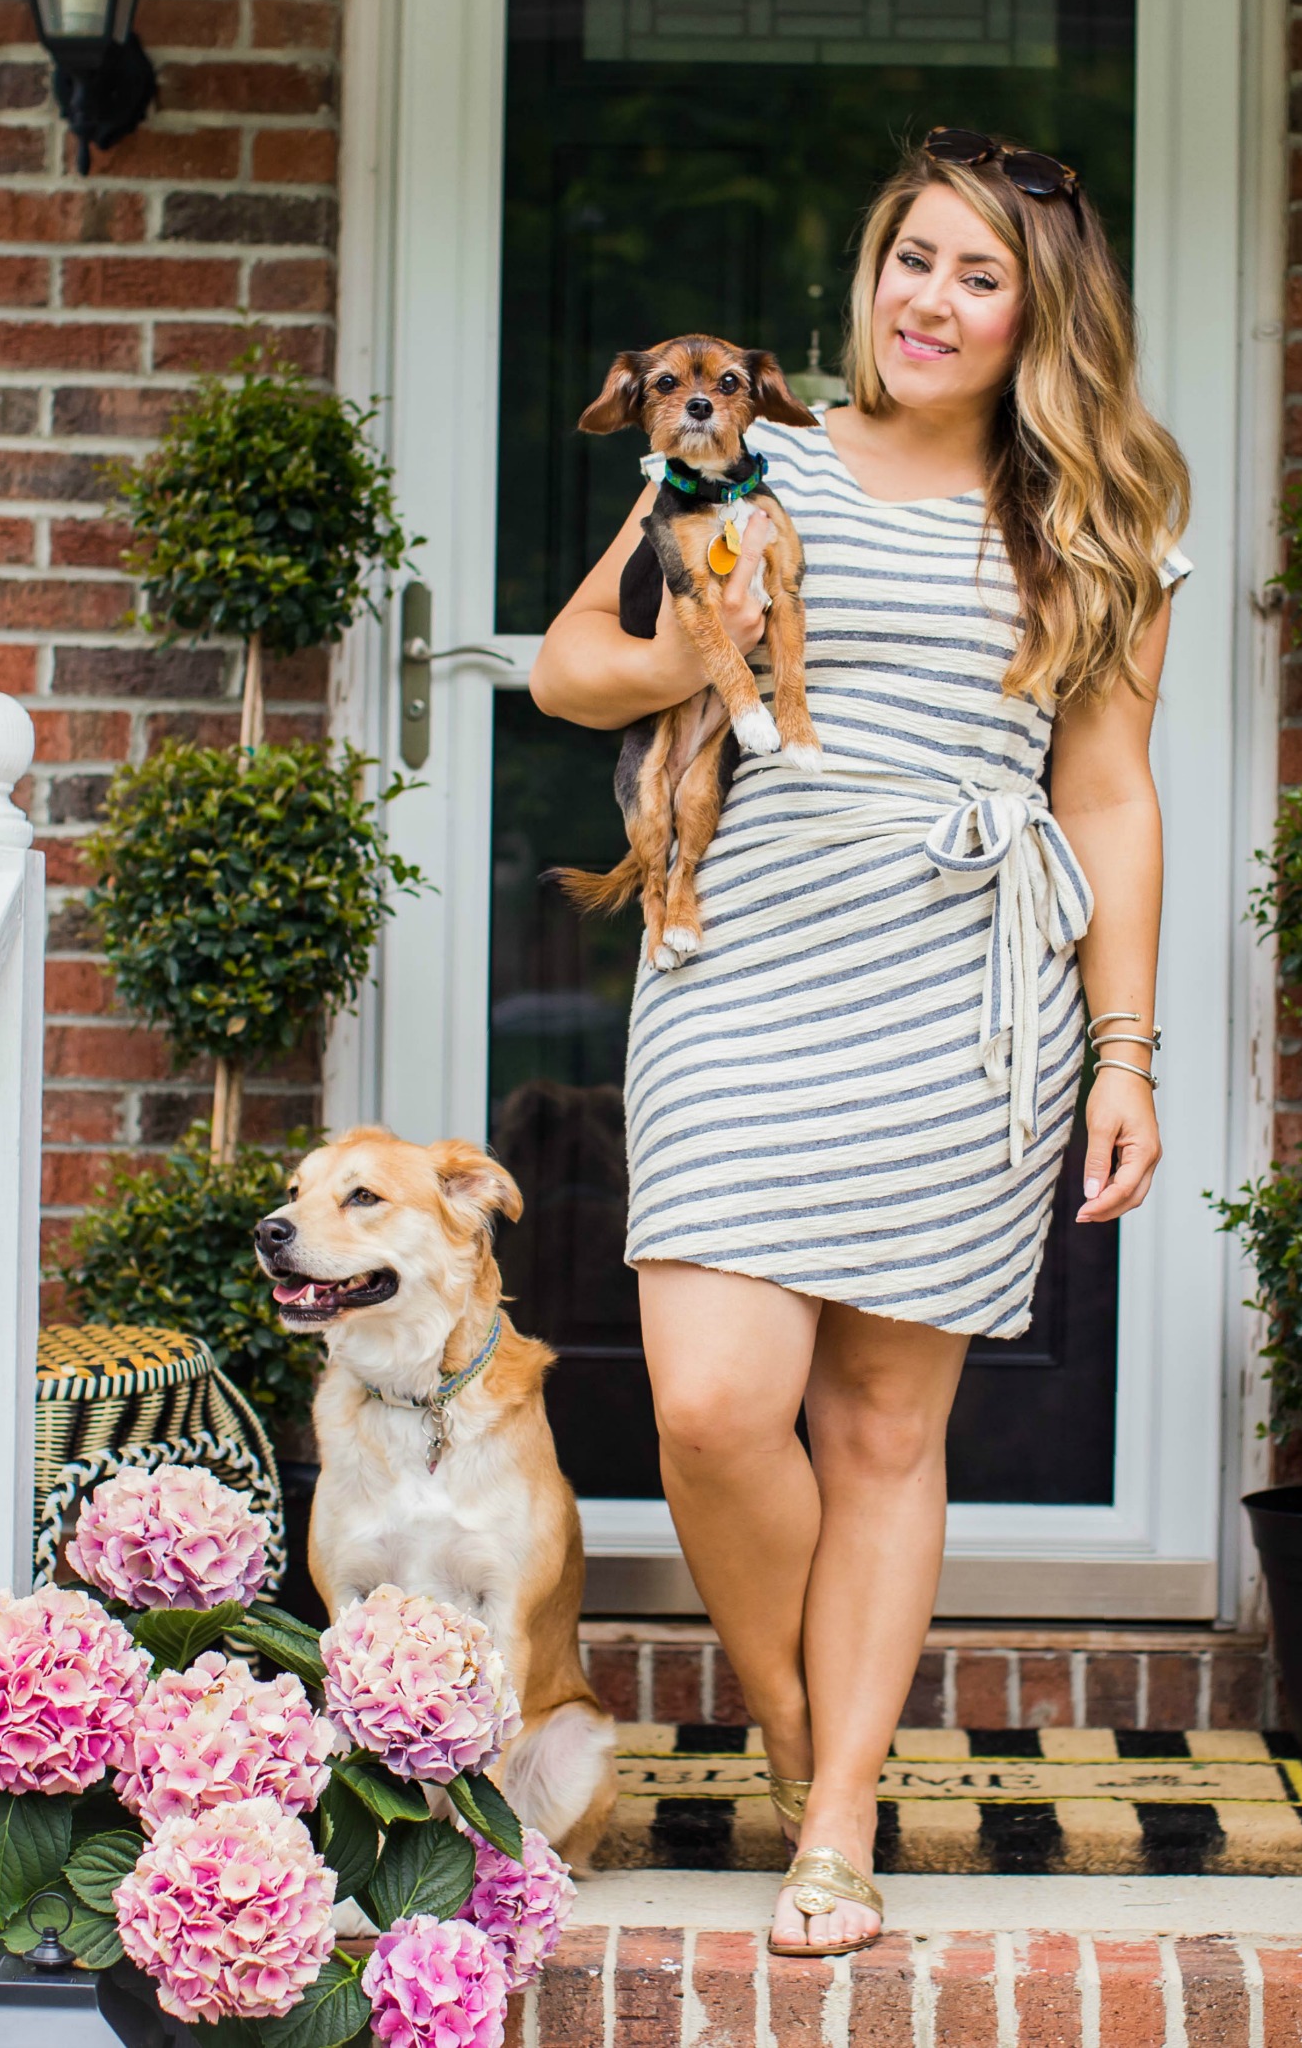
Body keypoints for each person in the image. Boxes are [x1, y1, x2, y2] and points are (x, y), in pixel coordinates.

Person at [530, 127, 1189, 1956]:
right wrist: (690, 660)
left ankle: (831, 1823)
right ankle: (813, 1724)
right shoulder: (758, 455)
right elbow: (570, 667)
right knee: (714, 1405)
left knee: (885, 1424)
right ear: (870, 274)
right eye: (913, 258)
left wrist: (1124, 1052)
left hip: (966, 980)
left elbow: (1113, 794)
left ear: (1033, 311)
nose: (932, 300)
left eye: (980, 275)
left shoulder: (1100, 514)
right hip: (745, 953)